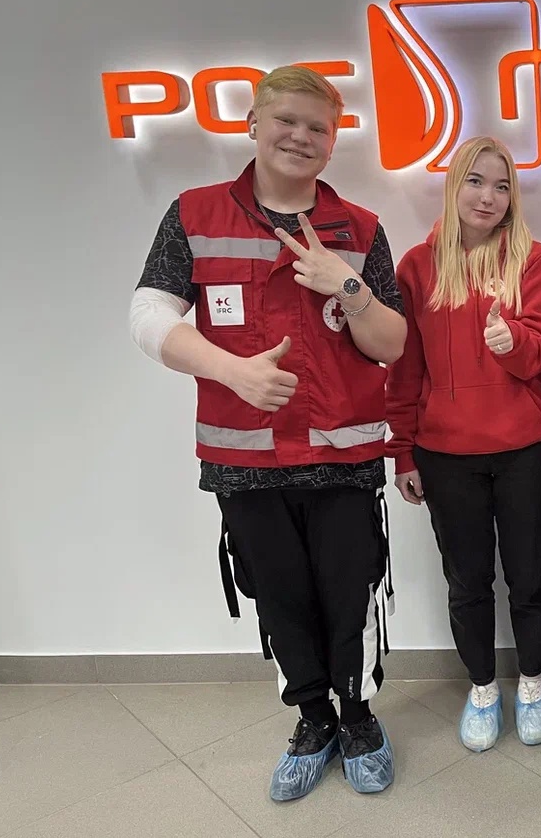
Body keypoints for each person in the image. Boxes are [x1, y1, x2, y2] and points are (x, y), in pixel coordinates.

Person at [127, 65, 407, 802]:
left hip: (344, 455)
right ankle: (312, 720)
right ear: (253, 123)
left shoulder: (361, 229)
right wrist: (232, 372)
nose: (300, 137)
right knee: (279, 599)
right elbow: (148, 316)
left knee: (351, 596)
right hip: (244, 458)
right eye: (286, 120)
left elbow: (392, 343)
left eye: (318, 127)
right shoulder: (194, 214)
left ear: (333, 142)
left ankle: (359, 719)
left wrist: (346, 284)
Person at [385, 136, 541, 753]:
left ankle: (534, 682)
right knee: (466, 581)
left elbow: (540, 358)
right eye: (477, 181)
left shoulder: (533, 260)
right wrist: (402, 450)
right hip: (445, 455)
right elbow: (404, 369)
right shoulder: (417, 267)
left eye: (502, 185)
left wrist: (511, 341)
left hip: (524, 449)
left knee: (530, 576)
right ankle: (483, 687)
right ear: (454, 185)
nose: (489, 197)